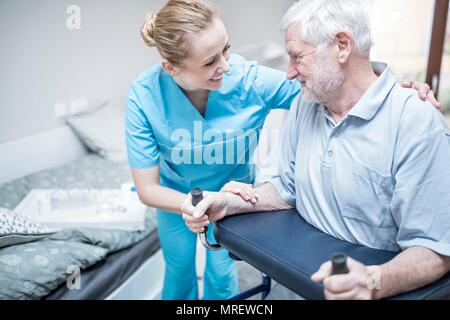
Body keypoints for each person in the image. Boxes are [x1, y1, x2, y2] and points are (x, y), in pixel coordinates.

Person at [126, 0, 439, 300]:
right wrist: (209, 203)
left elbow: (339, 83)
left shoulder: (252, 81)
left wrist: (396, 90)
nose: (225, 65)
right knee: (178, 271)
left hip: (231, 188)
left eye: (226, 50)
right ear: (170, 67)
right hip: (180, 193)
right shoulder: (145, 96)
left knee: (221, 277)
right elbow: (147, 188)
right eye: (209, 61)